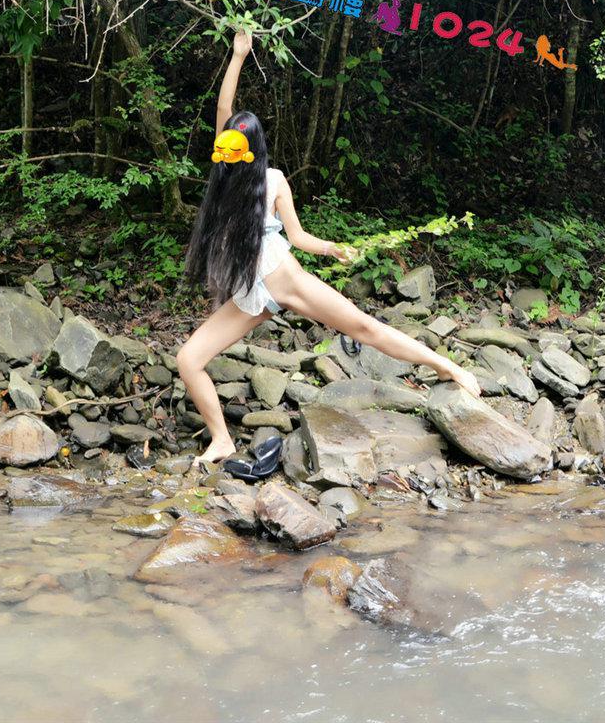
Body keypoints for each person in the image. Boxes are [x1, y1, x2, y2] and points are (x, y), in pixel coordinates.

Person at [178, 25, 481, 464]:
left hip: (286, 281)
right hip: (250, 295)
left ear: (253, 148)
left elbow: (296, 236)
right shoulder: (224, 169)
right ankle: (221, 438)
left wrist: (332, 249)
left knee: (364, 328)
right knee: (189, 360)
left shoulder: (273, 180)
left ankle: (450, 367)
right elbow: (224, 107)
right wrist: (239, 55)